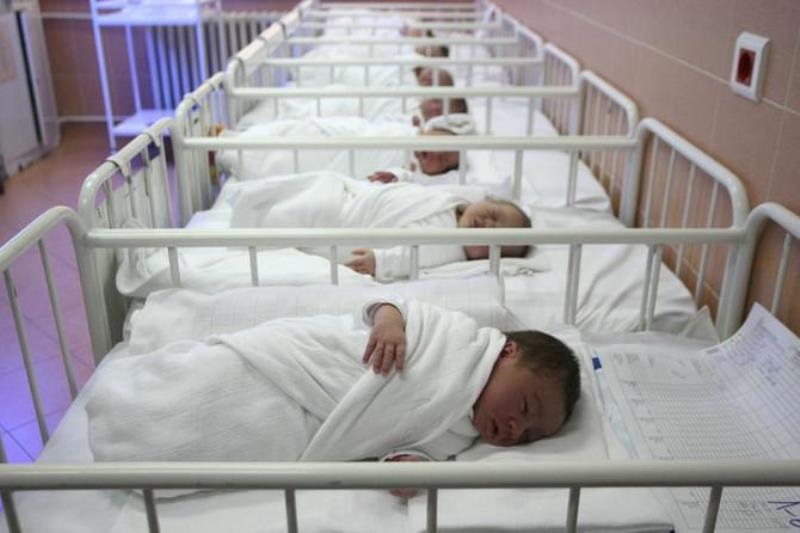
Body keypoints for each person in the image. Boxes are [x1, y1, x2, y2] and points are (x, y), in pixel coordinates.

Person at [86, 298, 581, 500]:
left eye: (528, 436)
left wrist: (407, 465)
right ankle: (139, 400)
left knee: (238, 437)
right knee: (213, 383)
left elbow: (404, 444)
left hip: (317, 427)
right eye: (525, 408)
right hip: (306, 363)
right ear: (509, 351)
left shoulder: (460, 436)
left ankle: (144, 449)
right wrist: (390, 322)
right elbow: (390, 306)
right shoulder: (458, 335)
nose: (514, 429)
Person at [224, 172, 532, 280]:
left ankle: (252, 221)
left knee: (303, 212)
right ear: (486, 201)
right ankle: (250, 199)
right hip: (358, 196)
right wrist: (398, 176)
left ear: (487, 256)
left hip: (349, 220)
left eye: (493, 237)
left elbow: (413, 257)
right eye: (493, 214)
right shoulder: (455, 200)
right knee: (318, 183)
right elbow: (420, 184)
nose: (486, 224)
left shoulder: (450, 248)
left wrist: (380, 261)